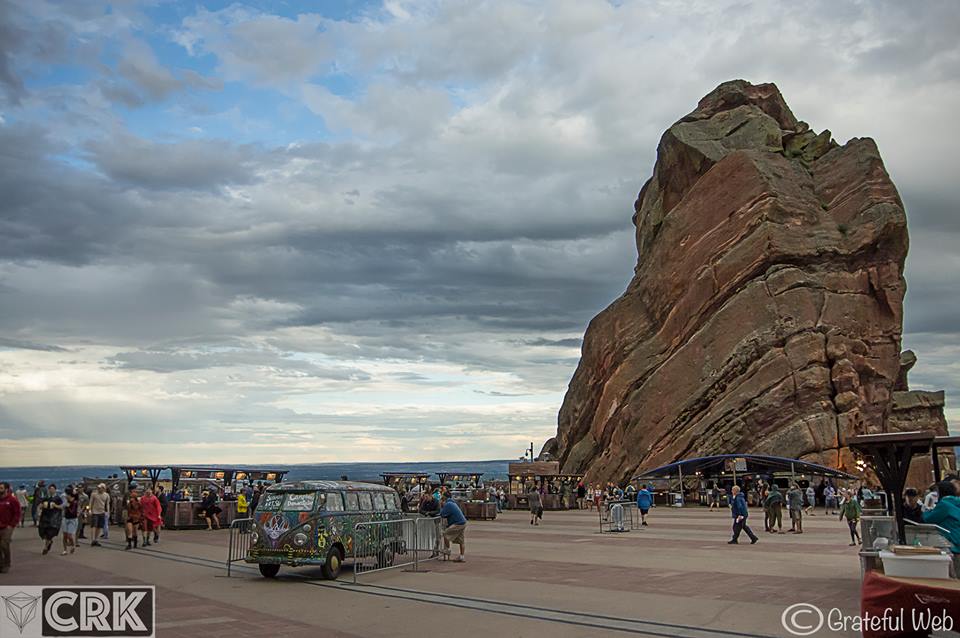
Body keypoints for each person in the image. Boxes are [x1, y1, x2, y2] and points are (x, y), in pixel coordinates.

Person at [923, 481, 960, 553]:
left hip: (952, 543)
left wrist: (926, 508)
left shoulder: (944, 505)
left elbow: (928, 519)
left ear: (941, 492)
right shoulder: (956, 502)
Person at [0, 482, 23, 573]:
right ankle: (1, 564)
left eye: (1, 488)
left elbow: (17, 513)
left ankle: (7, 563)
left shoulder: (12, 500)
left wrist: (12, 525)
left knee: (4, 544)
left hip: (7, 526)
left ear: (6, 489)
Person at [438, 493, 467, 562]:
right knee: (461, 541)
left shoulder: (448, 504)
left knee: (445, 533)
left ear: (443, 500)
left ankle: (447, 550)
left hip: (458, 523)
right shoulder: (453, 503)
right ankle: (462, 557)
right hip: (463, 522)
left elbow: (442, 514)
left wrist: (441, 506)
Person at [38, 484, 62, 555]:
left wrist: (55, 505)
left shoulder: (58, 498)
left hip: (53, 518)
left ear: (55, 490)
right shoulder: (46, 498)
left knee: (50, 533)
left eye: (53, 489)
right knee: (43, 531)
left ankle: (45, 547)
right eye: (50, 489)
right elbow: (40, 506)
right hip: (45, 516)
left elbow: (61, 507)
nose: (51, 490)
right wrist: (41, 506)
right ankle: (49, 542)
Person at [60, 486, 79, 555]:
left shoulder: (75, 501)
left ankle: (73, 545)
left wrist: (68, 506)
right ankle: (65, 550)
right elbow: (62, 505)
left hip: (73, 519)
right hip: (65, 518)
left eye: (67, 494)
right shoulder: (64, 499)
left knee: (69, 535)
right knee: (65, 535)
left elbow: (73, 511)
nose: (66, 496)